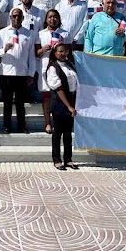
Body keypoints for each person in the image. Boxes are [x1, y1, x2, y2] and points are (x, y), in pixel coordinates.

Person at [0, 8, 36, 134]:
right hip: (6, 72)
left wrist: (30, 74)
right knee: (7, 102)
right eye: (14, 16)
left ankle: (21, 126)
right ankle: (7, 126)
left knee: (20, 103)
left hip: (21, 73)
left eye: (19, 16)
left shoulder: (28, 34)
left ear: (23, 18)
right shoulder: (2, 33)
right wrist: (4, 50)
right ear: (10, 17)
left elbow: (31, 56)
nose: (16, 18)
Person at [45, 42, 78, 171]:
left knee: (68, 133)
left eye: (66, 52)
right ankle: (57, 159)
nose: (63, 54)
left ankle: (68, 159)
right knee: (57, 133)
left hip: (71, 100)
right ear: (55, 53)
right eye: (60, 51)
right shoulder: (53, 68)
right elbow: (58, 88)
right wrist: (69, 106)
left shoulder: (70, 65)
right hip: (60, 103)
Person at [36, 9, 69, 134]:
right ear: (46, 19)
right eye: (50, 17)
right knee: (46, 96)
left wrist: (61, 50)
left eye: (55, 17)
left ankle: (60, 123)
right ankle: (48, 123)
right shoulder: (40, 34)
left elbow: (69, 51)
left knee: (61, 95)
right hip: (45, 67)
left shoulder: (65, 34)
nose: (52, 19)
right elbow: (36, 53)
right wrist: (43, 49)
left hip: (61, 67)